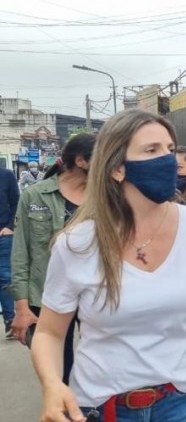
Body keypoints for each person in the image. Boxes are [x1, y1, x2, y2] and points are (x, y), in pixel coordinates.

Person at [29, 110, 186, 422]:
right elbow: (49, 333)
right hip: (103, 406)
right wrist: (52, 385)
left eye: (170, 150)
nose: (167, 160)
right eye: (151, 150)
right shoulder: (78, 243)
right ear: (117, 168)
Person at [9, 134, 94, 382]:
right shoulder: (35, 195)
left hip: (95, 293)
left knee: (99, 363)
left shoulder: (106, 196)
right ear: (81, 161)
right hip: (48, 295)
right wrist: (22, 308)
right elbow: (21, 253)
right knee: (58, 368)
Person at [0, 165, 19, 339]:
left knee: (5, 276)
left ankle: (10, 319)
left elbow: (16, 202)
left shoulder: (6, 175)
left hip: (3, 235)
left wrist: (10, 226)